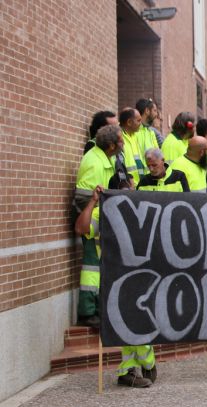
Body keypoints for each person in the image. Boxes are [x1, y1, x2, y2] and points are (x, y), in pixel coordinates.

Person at [75, 185, 156, 388]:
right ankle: (130, 371)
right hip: (114, 281)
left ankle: (145, 365)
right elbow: (81, 228)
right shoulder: (102, 213)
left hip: (138, 279)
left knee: (140, 323)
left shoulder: (140, 213)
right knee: (127, 325)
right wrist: (93, 201)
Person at [73, 124, 123, 327]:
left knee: (96, 268)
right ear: (111, 145)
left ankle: (95, 309)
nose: (123, 144)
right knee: (91, 269)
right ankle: (87, 312)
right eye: (120, 140)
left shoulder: (104, 159)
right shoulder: (95, 164)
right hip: (91, 225)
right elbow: (83, 200)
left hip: (98, 222)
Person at [119, 107, 147, 185]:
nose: (141, 124)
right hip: (127, 186)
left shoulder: (136, 137)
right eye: (138, 120)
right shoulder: (119, 138)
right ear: (129, 122)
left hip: (139, 185)